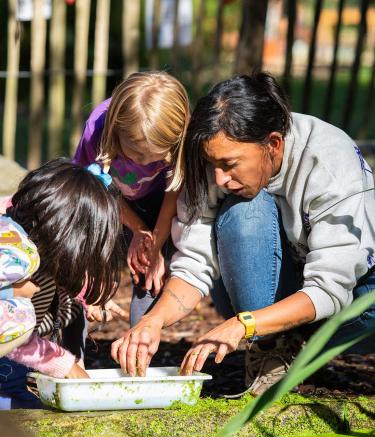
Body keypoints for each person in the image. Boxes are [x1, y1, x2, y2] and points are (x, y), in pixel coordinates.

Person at [111, 72, 375, 395]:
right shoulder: (218, 164)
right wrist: (154, 321)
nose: (219, 178)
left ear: (273, 144)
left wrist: (243, 324)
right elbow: (194, 264)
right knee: (242, 210)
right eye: (213, 165)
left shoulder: (329, 163)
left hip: (356, 304)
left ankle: (288, 339)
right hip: (275, 289)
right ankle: (271, 349)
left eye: (230, 164)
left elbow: (330, 290)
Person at [0, 159, 124, 408]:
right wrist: (64, 364)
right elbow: (9, 327)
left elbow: (68, 270)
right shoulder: (19, 257)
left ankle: (10, 390)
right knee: (20, 316)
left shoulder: (13, 231)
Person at [73, 71, 190, 326]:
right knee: (80, 260)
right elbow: (92, 187)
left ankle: (142, 339)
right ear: (116, 130)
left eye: (156, 157)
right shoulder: (98, 130)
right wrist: (137, 228)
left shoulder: (180, 136)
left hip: (159, 203)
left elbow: (175, 189)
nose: (144, 162)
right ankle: (70, 352)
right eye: (136, 153)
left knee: (146, 264)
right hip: (107, 199)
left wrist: (154, 243)